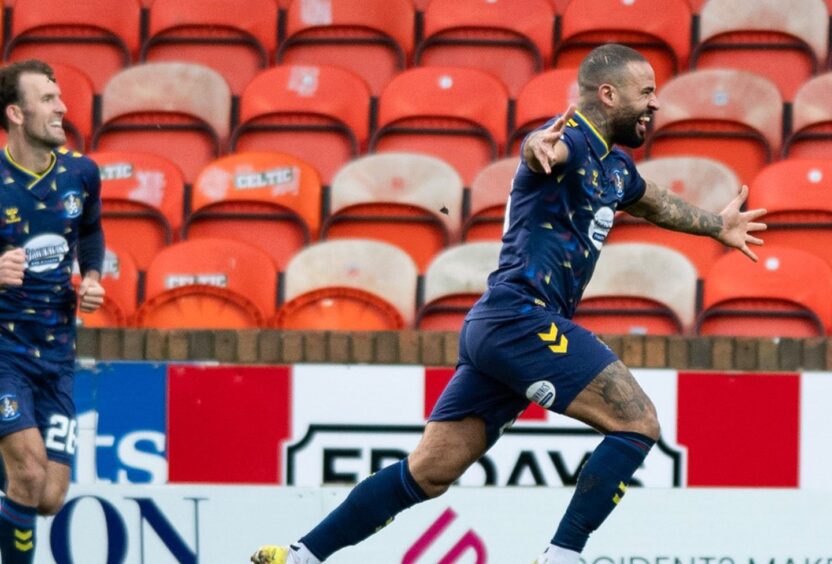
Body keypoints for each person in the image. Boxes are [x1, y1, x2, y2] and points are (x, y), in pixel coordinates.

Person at [251, 43, 767, 564]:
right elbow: (542, 149)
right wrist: (536, 148)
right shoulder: (568, 143)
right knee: (637, 422)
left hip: (496, 327)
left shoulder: (615, 167)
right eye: (647, 92)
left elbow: (653, 200)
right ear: (608, 95)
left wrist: (716, 225)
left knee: (428, 472)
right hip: (521, 318)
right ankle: (562, 555)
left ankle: (300, 556)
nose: (656, 104)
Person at [0, 59, 105, 563]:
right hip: (3, 352)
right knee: (26, 472)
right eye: (47, 99)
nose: (62, 107)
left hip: (57, 353)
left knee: (47, 496)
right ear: (16, 114)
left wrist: (94, 276)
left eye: (59, 96)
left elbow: (90, 231)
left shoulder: (81, 173)